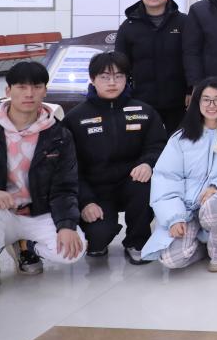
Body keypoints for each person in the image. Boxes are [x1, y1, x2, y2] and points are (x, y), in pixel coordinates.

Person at [0, 62, 85, 302]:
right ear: (8, 90)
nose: (29, 94)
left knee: (74, 251)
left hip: (39, 212)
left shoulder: (59, 135)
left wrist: (66, 225)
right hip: (2, 212)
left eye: (37, 87)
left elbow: (65, 186)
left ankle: (25, 246)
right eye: (21, 87)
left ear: (45, 91)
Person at [63, 52, 166, 264]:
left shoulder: (144, 111)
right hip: (96, 190)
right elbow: (69, 167)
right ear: (92, 79)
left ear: (126, 78)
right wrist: (86, 201)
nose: (112, 82)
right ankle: (99, 236)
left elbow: (158, 145)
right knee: (97, 237)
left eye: (118, 76)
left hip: (132, 182)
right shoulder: (76, 118)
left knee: (146, 185)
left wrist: (148, 163)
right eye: (104, 77)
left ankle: (137, 241)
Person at [141, 77, 217, 272]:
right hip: (186, 208)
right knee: (171, 259)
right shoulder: (180, 139)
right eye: (206, 99)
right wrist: (174, 217)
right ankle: (201, 246)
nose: (212, 105)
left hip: (216, 206)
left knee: (215, 204)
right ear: (197, 102)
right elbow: (166, 179)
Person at [115, 0, 189, 133]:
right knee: (144, 142)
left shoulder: (184, 22)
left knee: (178, 141)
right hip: (141, 100)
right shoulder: (128, 26)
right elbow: (120, 64)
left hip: (178, 101)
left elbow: (191, 57)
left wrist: (191, 90)